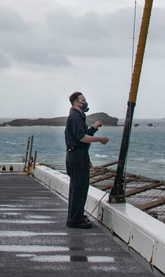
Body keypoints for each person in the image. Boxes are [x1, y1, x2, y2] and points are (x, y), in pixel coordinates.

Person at [64, 91, 108, 229]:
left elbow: (84, 135)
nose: (85, 102)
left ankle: (76, 215)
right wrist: (99, 140)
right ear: (77, 102)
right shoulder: (75, 117)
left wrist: (94, 127)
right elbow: (81, 138)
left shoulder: (78, 117)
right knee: (79, 187)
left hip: (78, 154)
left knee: (78, 187)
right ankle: (74, 220)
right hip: (77, 155)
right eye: (83, 100)